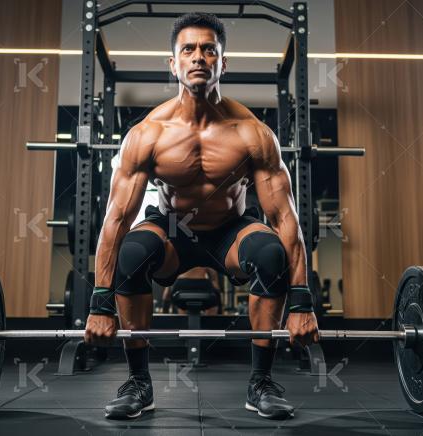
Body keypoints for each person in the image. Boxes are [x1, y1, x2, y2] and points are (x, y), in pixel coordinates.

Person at [84, 12, 319, 420]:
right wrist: (100, 301)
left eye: (209, 50)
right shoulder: (148, 134)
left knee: (270, 253)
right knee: (131, 252)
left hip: (230, 230)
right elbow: (116, 219)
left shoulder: (252, 133)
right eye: (188, 50)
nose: (198, 57)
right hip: (173, 229)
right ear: (173, 63)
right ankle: (139, 382)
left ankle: (261, 382)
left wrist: (301, 300)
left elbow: (285, 218)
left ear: (222, 63)